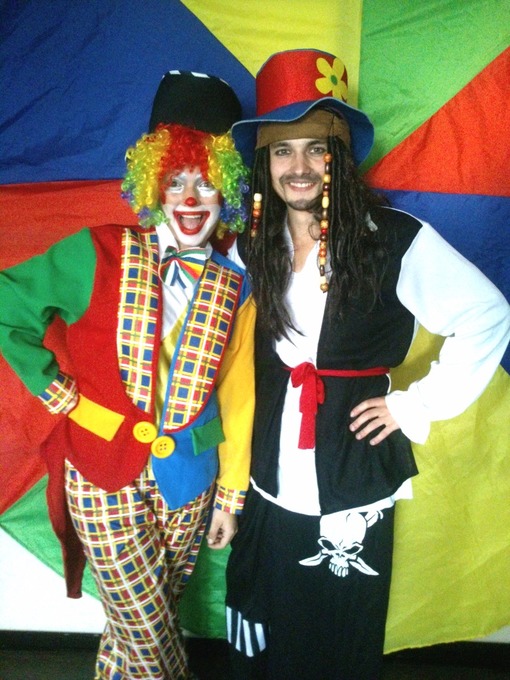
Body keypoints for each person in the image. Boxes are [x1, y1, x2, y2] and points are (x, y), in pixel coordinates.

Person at [224, 49, 510, 680]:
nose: (300, 167)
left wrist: (414, 405)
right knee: (279, 615)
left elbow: (488, 315)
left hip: (353, 464)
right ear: (265, 162)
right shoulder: (255, 242)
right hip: (272, 464)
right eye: (283, 151)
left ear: (339, 157)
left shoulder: (395, 238)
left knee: (343, 628)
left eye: (316, 149)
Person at [0, 70, 254, 679]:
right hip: (100, 470)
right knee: (147, 631)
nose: (190, 198)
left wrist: (230, 495)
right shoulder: (97, 250)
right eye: (175, 180)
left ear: (226, 190)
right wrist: (53, 388)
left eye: (206, 182)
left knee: (138, 626)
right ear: (152, 182)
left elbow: (239, 395)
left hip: (191, 479)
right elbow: (9, 305)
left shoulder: (236, 284)